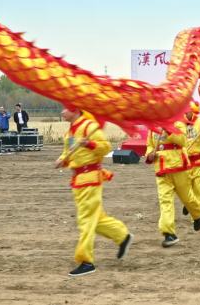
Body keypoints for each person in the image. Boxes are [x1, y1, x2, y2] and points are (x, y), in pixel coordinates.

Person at [54, 108, 133, 277]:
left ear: (75, 110)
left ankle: (86, 261)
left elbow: (105, 147)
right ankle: (122, 235)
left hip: (90, 178)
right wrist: (63, 159)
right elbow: (69, 152)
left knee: (85, 220)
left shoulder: (90, 127)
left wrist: (88, 143)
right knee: (95, 219)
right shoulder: (71, 131)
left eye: (65, 108)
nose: (62, 112)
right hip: (79, 180)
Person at [145, 121, 200, 247]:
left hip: (178, 167)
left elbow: (183, 141)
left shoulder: (178, 124)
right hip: (161, 169)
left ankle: (197, 214)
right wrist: (150, 154)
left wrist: (168, 130)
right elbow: (150, 145)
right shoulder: (153, 126)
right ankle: (168, 233)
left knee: (187, 198)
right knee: (165, 201)